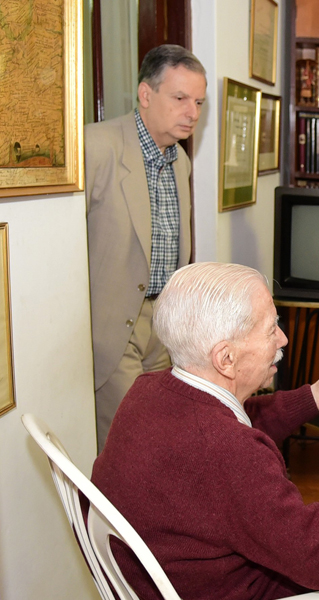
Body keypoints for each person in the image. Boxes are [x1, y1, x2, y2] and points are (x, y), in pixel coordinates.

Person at [91, 262, 319, 600]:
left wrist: (313, 398)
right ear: (225, 358)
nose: (283, 338)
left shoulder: (147, 390)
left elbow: (227, 424)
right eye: (272, 329)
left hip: (174, 577)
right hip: (232, 588)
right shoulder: (230, 452)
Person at [85, 44, 207, 450]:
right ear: (145, 94)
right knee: (128, 445)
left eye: (198, 102)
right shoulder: (96, 147)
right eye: (180, 98)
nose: (192, 112)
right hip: (114, 325)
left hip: (164, 326)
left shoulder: (180, 161)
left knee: (160, 442)